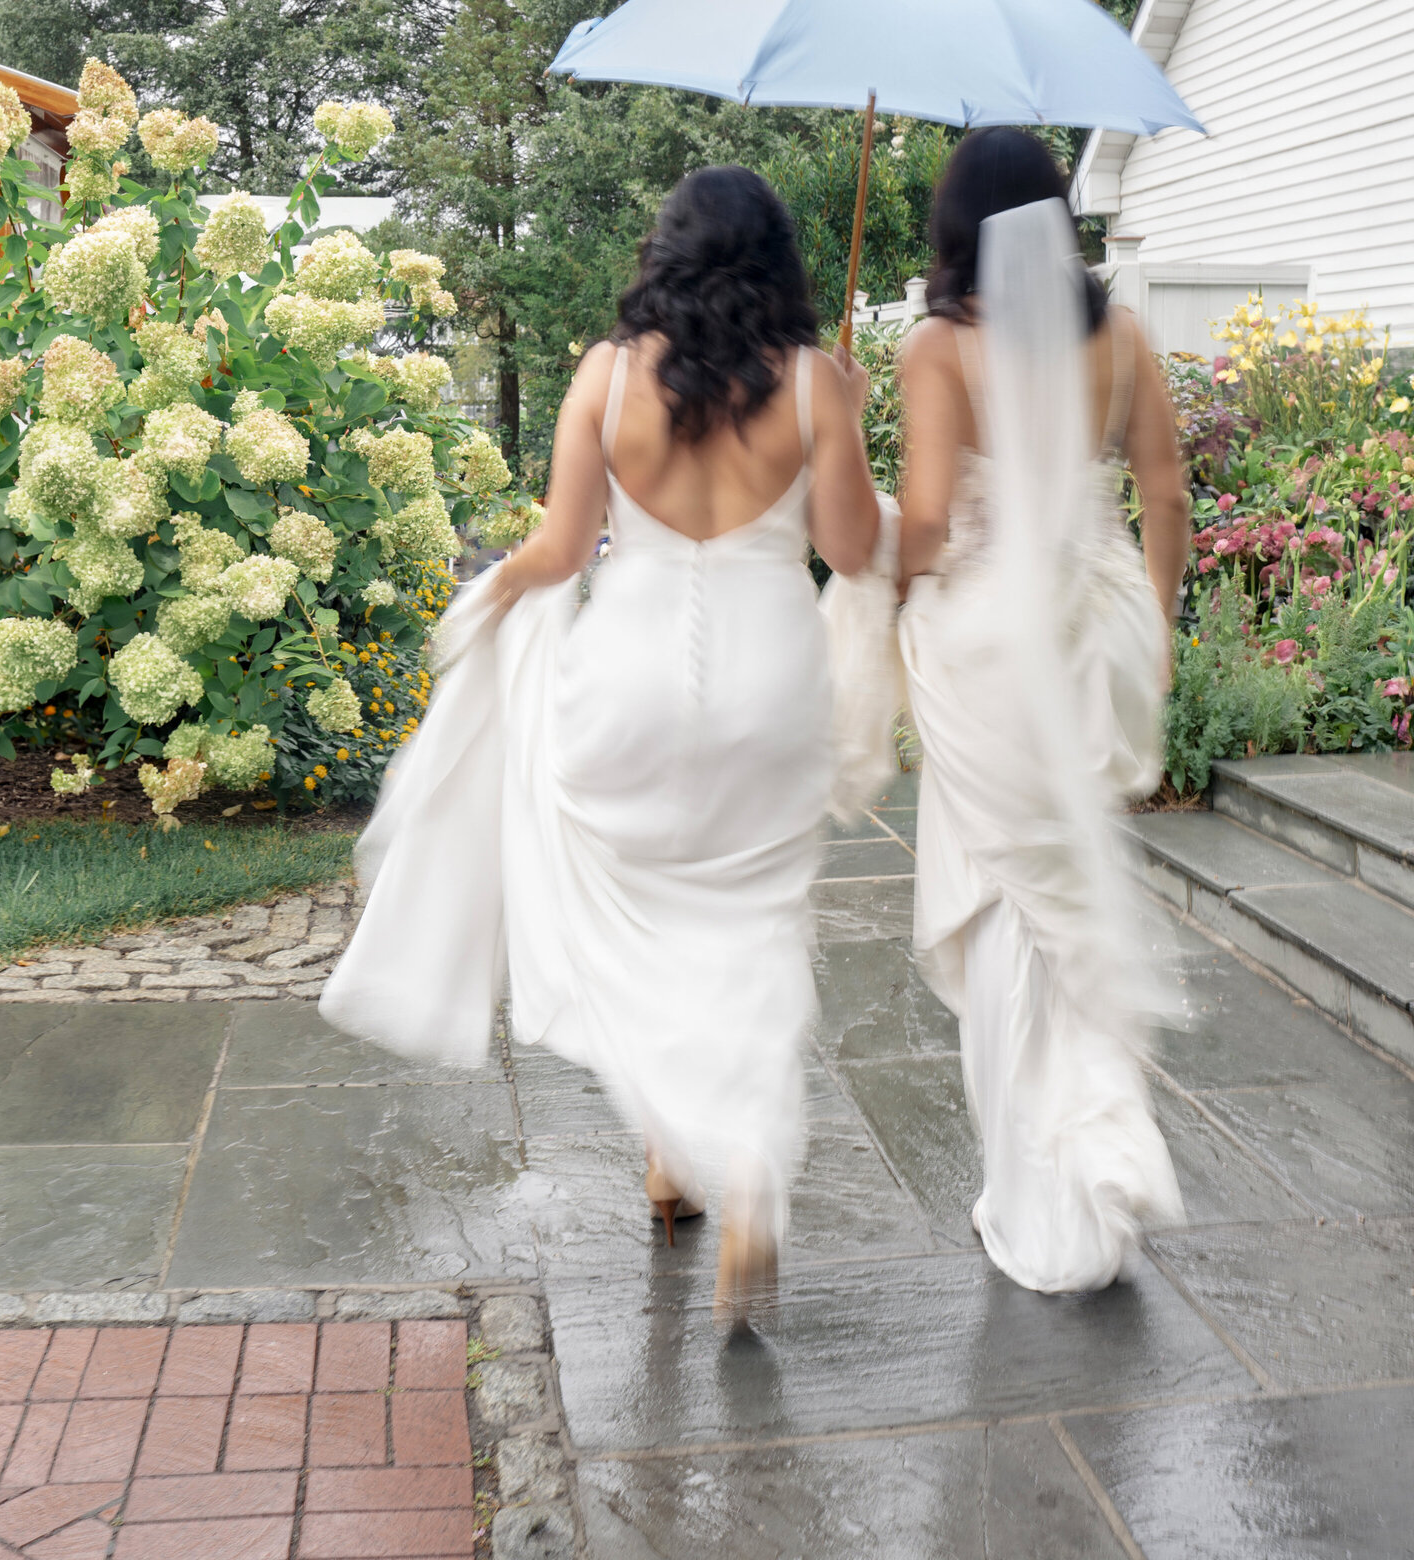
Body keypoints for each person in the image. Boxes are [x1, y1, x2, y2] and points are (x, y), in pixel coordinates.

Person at [321, 166, 879, 1330]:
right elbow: (851, 547)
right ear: (777, 260)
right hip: (771, 677)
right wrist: (851, 418)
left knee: (638, 923)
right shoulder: (816, 383)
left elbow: (562, 549)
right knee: (753, 924)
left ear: (664, 253)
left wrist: (484, 598)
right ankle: (748, 1187)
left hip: (625, 678)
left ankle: (671, 1156)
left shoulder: (606, 372)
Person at [895, 127, 1189, 1294]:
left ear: (955, 225)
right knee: (1065, 880)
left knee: (1004, 903)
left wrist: (875, 571)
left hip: (987, 647)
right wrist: (1153, 631)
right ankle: (1082, 1169)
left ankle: (1044, 1202)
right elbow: (1162, 492)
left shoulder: (937, 347)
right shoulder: (1118, 334)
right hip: (1094, 635)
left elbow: (922, 521)